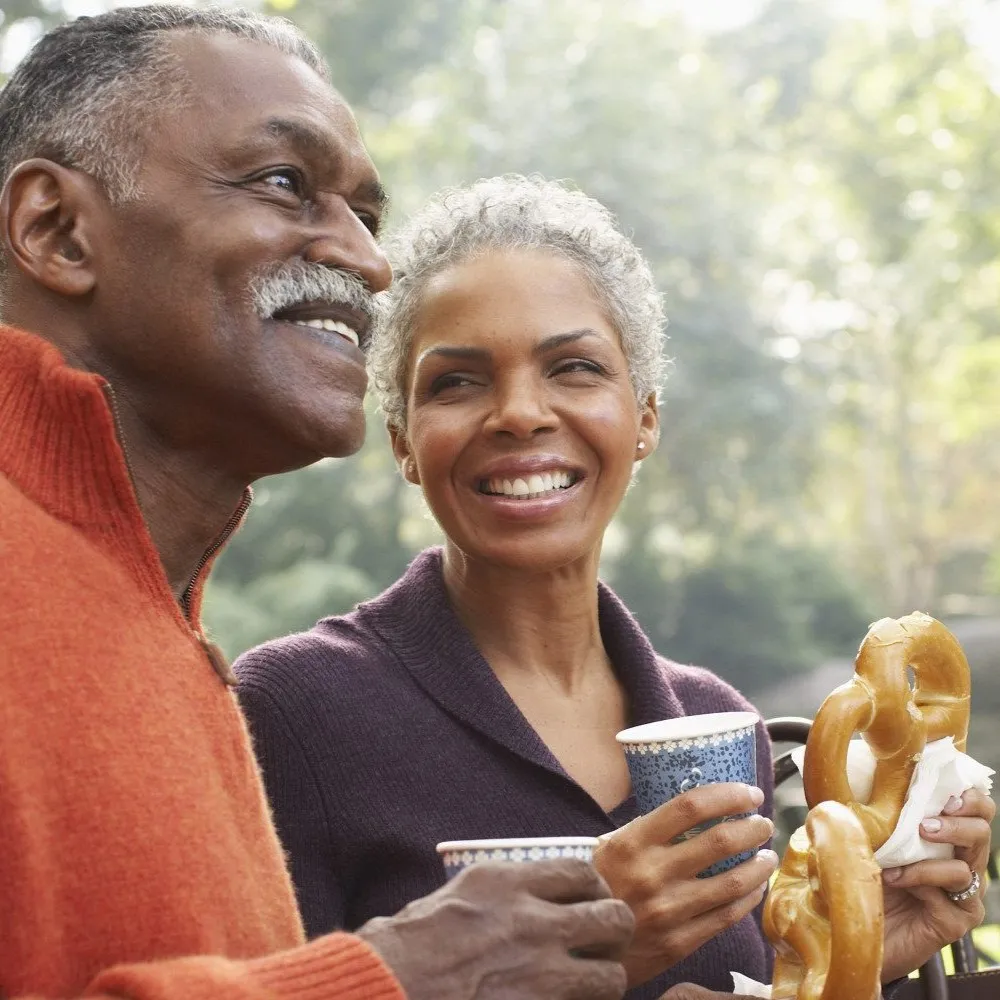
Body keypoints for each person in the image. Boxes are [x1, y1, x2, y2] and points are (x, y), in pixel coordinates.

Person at [0, 10, 637, 1000]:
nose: (369, 263)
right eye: (284, 184)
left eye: (365, 215)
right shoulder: (293, 701)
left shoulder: (157, 626)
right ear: (56, 229)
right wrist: (388, 979)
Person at [235, 176, 995, 999]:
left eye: (574, 368)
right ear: (403, 442)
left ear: (645, 418)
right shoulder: (296, 710)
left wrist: (850, 952)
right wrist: (593, 951)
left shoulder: (717, 723)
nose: (519, 413)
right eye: (457, 382)